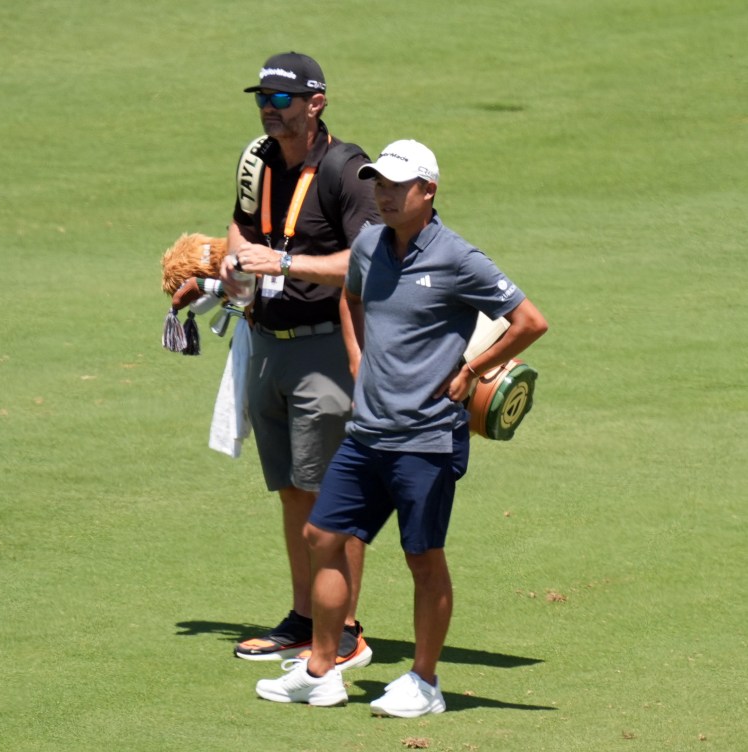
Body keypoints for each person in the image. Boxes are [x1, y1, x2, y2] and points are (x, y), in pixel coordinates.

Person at [255, 139, 549, 715]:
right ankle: (321, 671)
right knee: (323, 538)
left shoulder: (459, 258)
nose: (383, 195)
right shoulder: (368, 244)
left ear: (427, 191)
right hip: (368, 433)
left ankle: (425, 682)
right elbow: (351, 296)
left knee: (423, 558)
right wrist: (356, 355)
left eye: (395, 186)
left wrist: (472, 369)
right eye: (378, 185)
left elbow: (529, 321)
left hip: (427, 439)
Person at [220, 52, 381, 667]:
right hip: (267, 345)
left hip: (327, 350)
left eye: (282, 99)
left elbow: (369, 262)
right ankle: (304, 616)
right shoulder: (256, 160)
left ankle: (345, 631)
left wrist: (283, 262)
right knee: (292, 492)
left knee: (334, 496)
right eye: (262, 96)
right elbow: (239, 225)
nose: (268, 107)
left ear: (316, 104)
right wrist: (237, 261)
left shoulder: (347, 169)